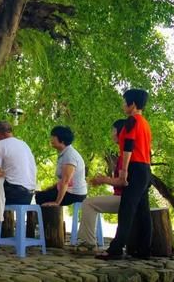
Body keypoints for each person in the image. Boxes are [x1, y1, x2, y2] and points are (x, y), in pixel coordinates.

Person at [96, 89, 152, 260]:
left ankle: (116, 249)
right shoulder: (145, 123)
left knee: (126, 210)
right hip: (145, 168)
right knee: (143, 211)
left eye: (124, 101)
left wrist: (123, 172)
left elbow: (128, 146)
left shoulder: (131, 121)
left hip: (134, 167)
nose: (123, 105)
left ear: (132, 104)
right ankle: (144, 249)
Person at [75, 119, 126, 251]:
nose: (111, 134)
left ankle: (88, 243)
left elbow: (123, 181)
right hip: (123, 197)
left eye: (113, 130)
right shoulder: (123, 154)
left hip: (125, 199)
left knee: (88, 203)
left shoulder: (125, 156)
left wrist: (104, 180)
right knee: (90, 203)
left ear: (121, 133)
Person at [35, 126, 87, 207]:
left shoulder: (70, 155)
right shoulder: (64, 153)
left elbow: (66, 181)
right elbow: (62, 181)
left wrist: (56, 202)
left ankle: (48, 220)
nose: (51, 139)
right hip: (69, 191)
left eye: (53, 137)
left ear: (62, 140)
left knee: (40, 197)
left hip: (75, 194)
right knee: (40, 194)